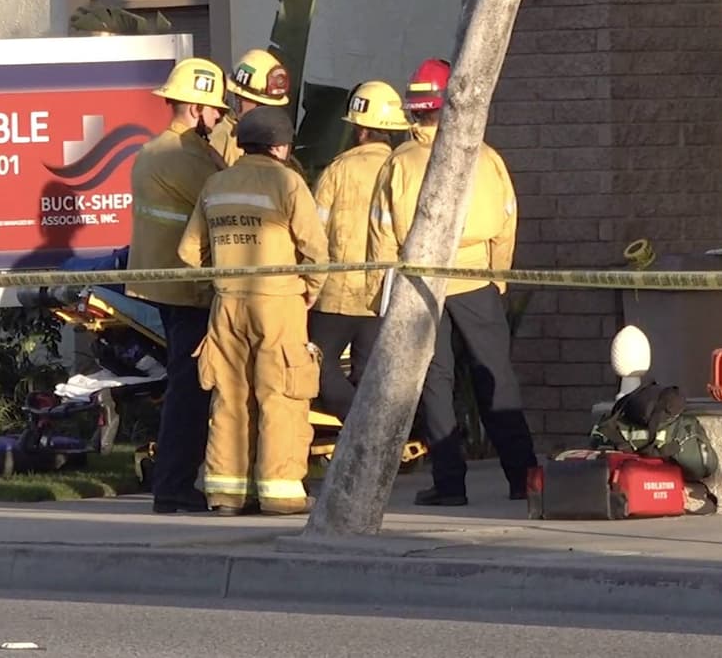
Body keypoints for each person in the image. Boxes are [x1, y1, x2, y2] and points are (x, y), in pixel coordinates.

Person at [366, 57, 538, 506]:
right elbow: (506, 222)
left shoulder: (398, 163)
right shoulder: (484, 157)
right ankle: (523, 478)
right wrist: (496, 277)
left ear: (415, 111)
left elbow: (381, 235)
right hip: (477, 278)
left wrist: (380, 296)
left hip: (420, 284)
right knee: (496, 376)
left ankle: (450, 484)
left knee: (435, 383)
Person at [177, 106, 329, 516]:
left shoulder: (216, 184)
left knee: (229, 396)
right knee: (281, 395)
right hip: (278, 304)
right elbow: (316, 250)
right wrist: (311, 290)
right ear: (280, 146)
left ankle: (226, 493)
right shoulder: (288, 182)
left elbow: (189, 252)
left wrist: (219, 280)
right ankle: (280, 493)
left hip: (226, 305)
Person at [125, 57, 231, 514]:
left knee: (186, 388)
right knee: (191, 392)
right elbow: (225, 204)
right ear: (195, 108)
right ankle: (173, 486)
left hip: (169, 287)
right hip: (189, 290)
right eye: (215, 110)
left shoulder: (155, 150)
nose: (220, 117)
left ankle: (174, 483)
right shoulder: (185, 157)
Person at [309, 81, 411, 420]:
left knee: (317, 368)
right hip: (382, 295)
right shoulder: (402, 169)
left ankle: (356, 425)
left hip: (335, 295)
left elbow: (313, 234)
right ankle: (370, 438)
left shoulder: (338, 170)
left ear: (361, 130)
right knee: (369, 375)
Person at [209, 48, 292, 167]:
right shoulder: (220, 139)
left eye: (273, 108)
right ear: (239, 101)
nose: (268, 114)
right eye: (261, 105)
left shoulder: (278, 139)